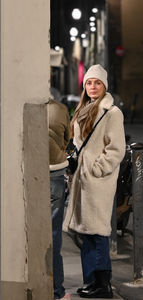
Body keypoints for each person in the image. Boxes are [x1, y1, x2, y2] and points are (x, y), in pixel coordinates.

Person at [64, 64, 126, 298]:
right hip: (82, 179)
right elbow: (77, 144)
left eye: (97, 83)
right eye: (89, 83)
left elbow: (116, 149)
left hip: (98, 181)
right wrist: (72, 161)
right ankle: (91, 281)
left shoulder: (112, 113)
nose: (92, 87)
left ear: (104, 86)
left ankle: (102, 285)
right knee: (85, 232)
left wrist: (97, 169)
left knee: (97, 232)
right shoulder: (84, 108)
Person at [48, 98, 71, 300]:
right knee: (54, 233)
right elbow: (67, 140)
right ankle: (57, 291)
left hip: (28, 174)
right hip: (55, 172)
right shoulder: (60, 109)